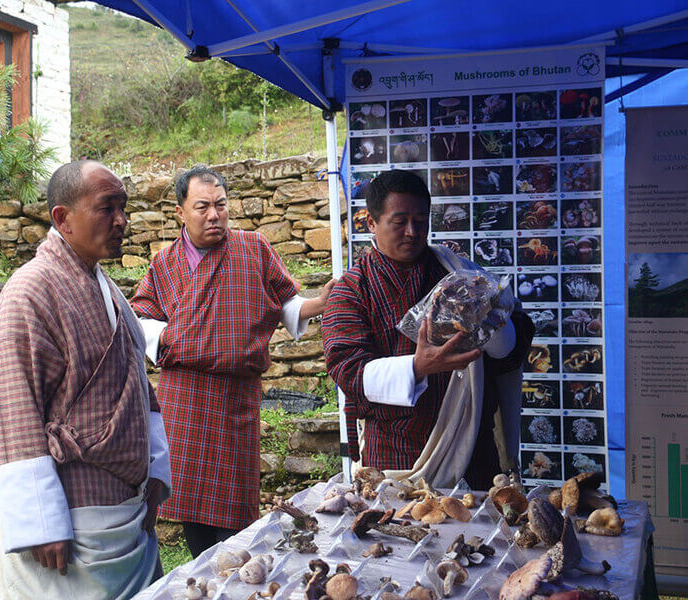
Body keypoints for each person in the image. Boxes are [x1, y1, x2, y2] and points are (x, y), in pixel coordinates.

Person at [0, 160, 171, 599]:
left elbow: (135, 382)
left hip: (125, 511)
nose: (121, 220)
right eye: (107, 208)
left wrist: (155, 468)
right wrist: (41, 522)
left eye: (123, 207)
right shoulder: (27, 293)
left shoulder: (104, 286)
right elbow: (16, 410)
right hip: (67, 521)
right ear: (62, 218)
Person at [130, 166, 334, 557]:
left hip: (236, 398)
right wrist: (177, 338)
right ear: (180, 212)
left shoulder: (253, 248)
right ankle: (205, 571)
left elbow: (287, 302)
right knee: (190, 503)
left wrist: (320, 304)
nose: (214, 215)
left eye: (221, 205)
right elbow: (141, 319)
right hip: (185, 398)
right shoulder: (164, 262)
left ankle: (235, 573)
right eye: (203, 206)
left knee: (236, 511)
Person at [321, 170, 534, 490]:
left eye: (421, 220)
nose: (412, 231)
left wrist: (493, 327)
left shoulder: (460, 274)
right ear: (371, 224)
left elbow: (512, 347)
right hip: (397, 458)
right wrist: (418, 367)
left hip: (473, 449)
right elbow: (347, 369)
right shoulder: (351, 291)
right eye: (400, 220)